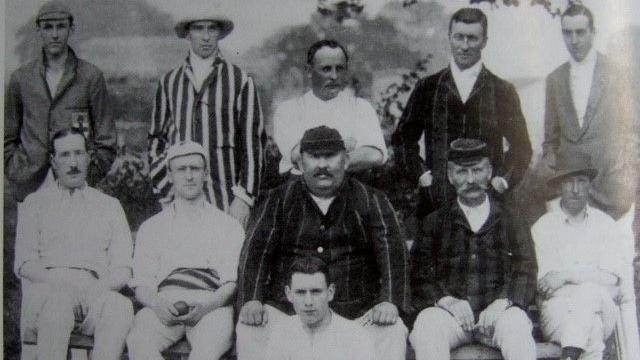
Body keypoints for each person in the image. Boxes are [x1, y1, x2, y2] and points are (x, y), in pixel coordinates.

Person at [236, 126, 409, 360]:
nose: (322, 165)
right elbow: (255, 252)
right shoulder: (278, 199)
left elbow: (393, 254)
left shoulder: (370, 199)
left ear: (346, 160)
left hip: (355, 315)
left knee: (393, 329)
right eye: (314, 157)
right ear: (300, 163)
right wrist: (251, 299)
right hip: (289, 314)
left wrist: (390, 301)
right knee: (250, 328)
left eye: (330, 156)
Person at [392, 7, 532, 218]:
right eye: (459, 37)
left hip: (489, 206)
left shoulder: (502, 90)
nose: (464, 46)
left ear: (484, 41)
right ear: (449, 38)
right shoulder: (428, 87)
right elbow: (403, 139)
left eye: (472, 38)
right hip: (437, 206)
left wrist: (502, 181)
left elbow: (521, 147)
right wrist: (421, 176)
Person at [410, 138, 537, 360]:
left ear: (489, 172)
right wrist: (447, 301)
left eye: (477, 171)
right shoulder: (434, 222)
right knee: (427, 325)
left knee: (516, 325)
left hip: (499, 316)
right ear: (450, 176)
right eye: (461, 172)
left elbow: (526, 269)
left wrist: (504, 301)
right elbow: (419, 276)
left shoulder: (511, 218)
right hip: (452, 319)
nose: (470, 180)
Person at [15, 128, 133, 360]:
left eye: (78, 154)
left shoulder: (109, 206)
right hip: (50, 289)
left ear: (89, 157)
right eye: (65, 155)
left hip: (95, 291)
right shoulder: (35, 204)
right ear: (53, 161)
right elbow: (25, 263)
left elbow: (123, 267)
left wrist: (96, 289)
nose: (72, 163)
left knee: (121, 307)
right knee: (58, 307)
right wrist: (64, 285)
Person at [148, 7, 266, 227]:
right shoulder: (169, 82)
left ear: (220, 33)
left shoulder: (240, 80)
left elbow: (253, 143)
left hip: (226, 199)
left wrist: (243, 198)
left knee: (225, 258)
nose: (205, 36)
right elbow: (156, 139)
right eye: (198, 28)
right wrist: (165, 190)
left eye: (212, 28)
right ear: (187, 33)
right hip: (179, 198)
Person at [127, 142, 245, 360]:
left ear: (206, 174)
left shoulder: (227, 225)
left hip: (210, 305)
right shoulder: (152, 227)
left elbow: (231, 283)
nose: (189, 176)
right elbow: (142, 283)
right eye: (181, 169)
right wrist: (157, 304)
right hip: (165, 304)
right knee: (138, 342)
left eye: (195, 169)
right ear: (170, 175)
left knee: (205, 353)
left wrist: (207, 306)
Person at [5, 1, 116, 202]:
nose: (55, 34)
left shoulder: (90, 77)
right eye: (48, 27)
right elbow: (7, 136)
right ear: (38, 30)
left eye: (61, 26)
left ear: (70, 28)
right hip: (31, 184)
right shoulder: (21, 78)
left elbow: (106, 139)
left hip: (77, 183)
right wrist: (16, 171)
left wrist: (86, 176)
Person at [542, 3, 639, 221]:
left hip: (611, 193)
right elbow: (550, 141)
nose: (574, 40)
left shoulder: (617, 74)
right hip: (570, 196)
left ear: (593, 32)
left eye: (580, 32)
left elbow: (632, 131)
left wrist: (626, 180)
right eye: (567, 33)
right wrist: (556, 185)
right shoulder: (555, 79)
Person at [532, 151, 626, 360]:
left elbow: (611, 280)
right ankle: (571, 354)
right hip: (558, 313)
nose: (575, 190)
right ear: (559, 186)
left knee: (589, 292)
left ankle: (569, 355)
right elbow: (546, 286)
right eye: (569, 182)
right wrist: (592, 276)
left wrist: (566, 276)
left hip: (603, 310)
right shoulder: (543, 228)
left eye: (581, 182)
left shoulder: (605, 225)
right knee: (591, 332)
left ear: (590, 185)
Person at [272, 39, 387, 177]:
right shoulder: (288, 110)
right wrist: (345, 145)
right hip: (301, 190)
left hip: (351, 190)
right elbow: (297, 157)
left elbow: (375, 155)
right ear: (309, 71)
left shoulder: (361, 107)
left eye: (339, 69)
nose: (334, 76)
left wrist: (317, 152)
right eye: (326, 69)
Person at [264, 256, 375, 360]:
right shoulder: (281, 333)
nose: (308, 302)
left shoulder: (355, 336)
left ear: (330, 292)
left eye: (316, 292)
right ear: (289, 294)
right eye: (300, 292)